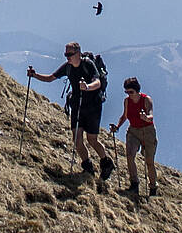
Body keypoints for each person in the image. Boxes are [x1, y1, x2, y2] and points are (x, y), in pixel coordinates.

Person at [26, 41, 112, 179]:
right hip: (77, 106)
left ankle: (106, 162)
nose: (67, 57)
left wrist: (88, 87)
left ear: (78, 53)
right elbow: (50, 78)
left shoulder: (88, 64)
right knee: (77, 140)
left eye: (70, 54)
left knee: (92, 139)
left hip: (93, 106)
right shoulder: (68, 67)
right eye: (66, 54)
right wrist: (34, 75)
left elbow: (98, 82)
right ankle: (87, 167)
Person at [108, 76, 158, 197]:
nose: (129, 94)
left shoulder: (146, 100)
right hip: (133, 131)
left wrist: (146, 118)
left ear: (137, 90)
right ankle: (134, 184)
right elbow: (124, 116)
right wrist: (118, 126)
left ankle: (153, 188)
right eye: (127, 92)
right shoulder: (127, 101)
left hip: (148, 131)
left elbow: (151, 114)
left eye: (131, 92)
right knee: (130, 155)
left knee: (149, 161)